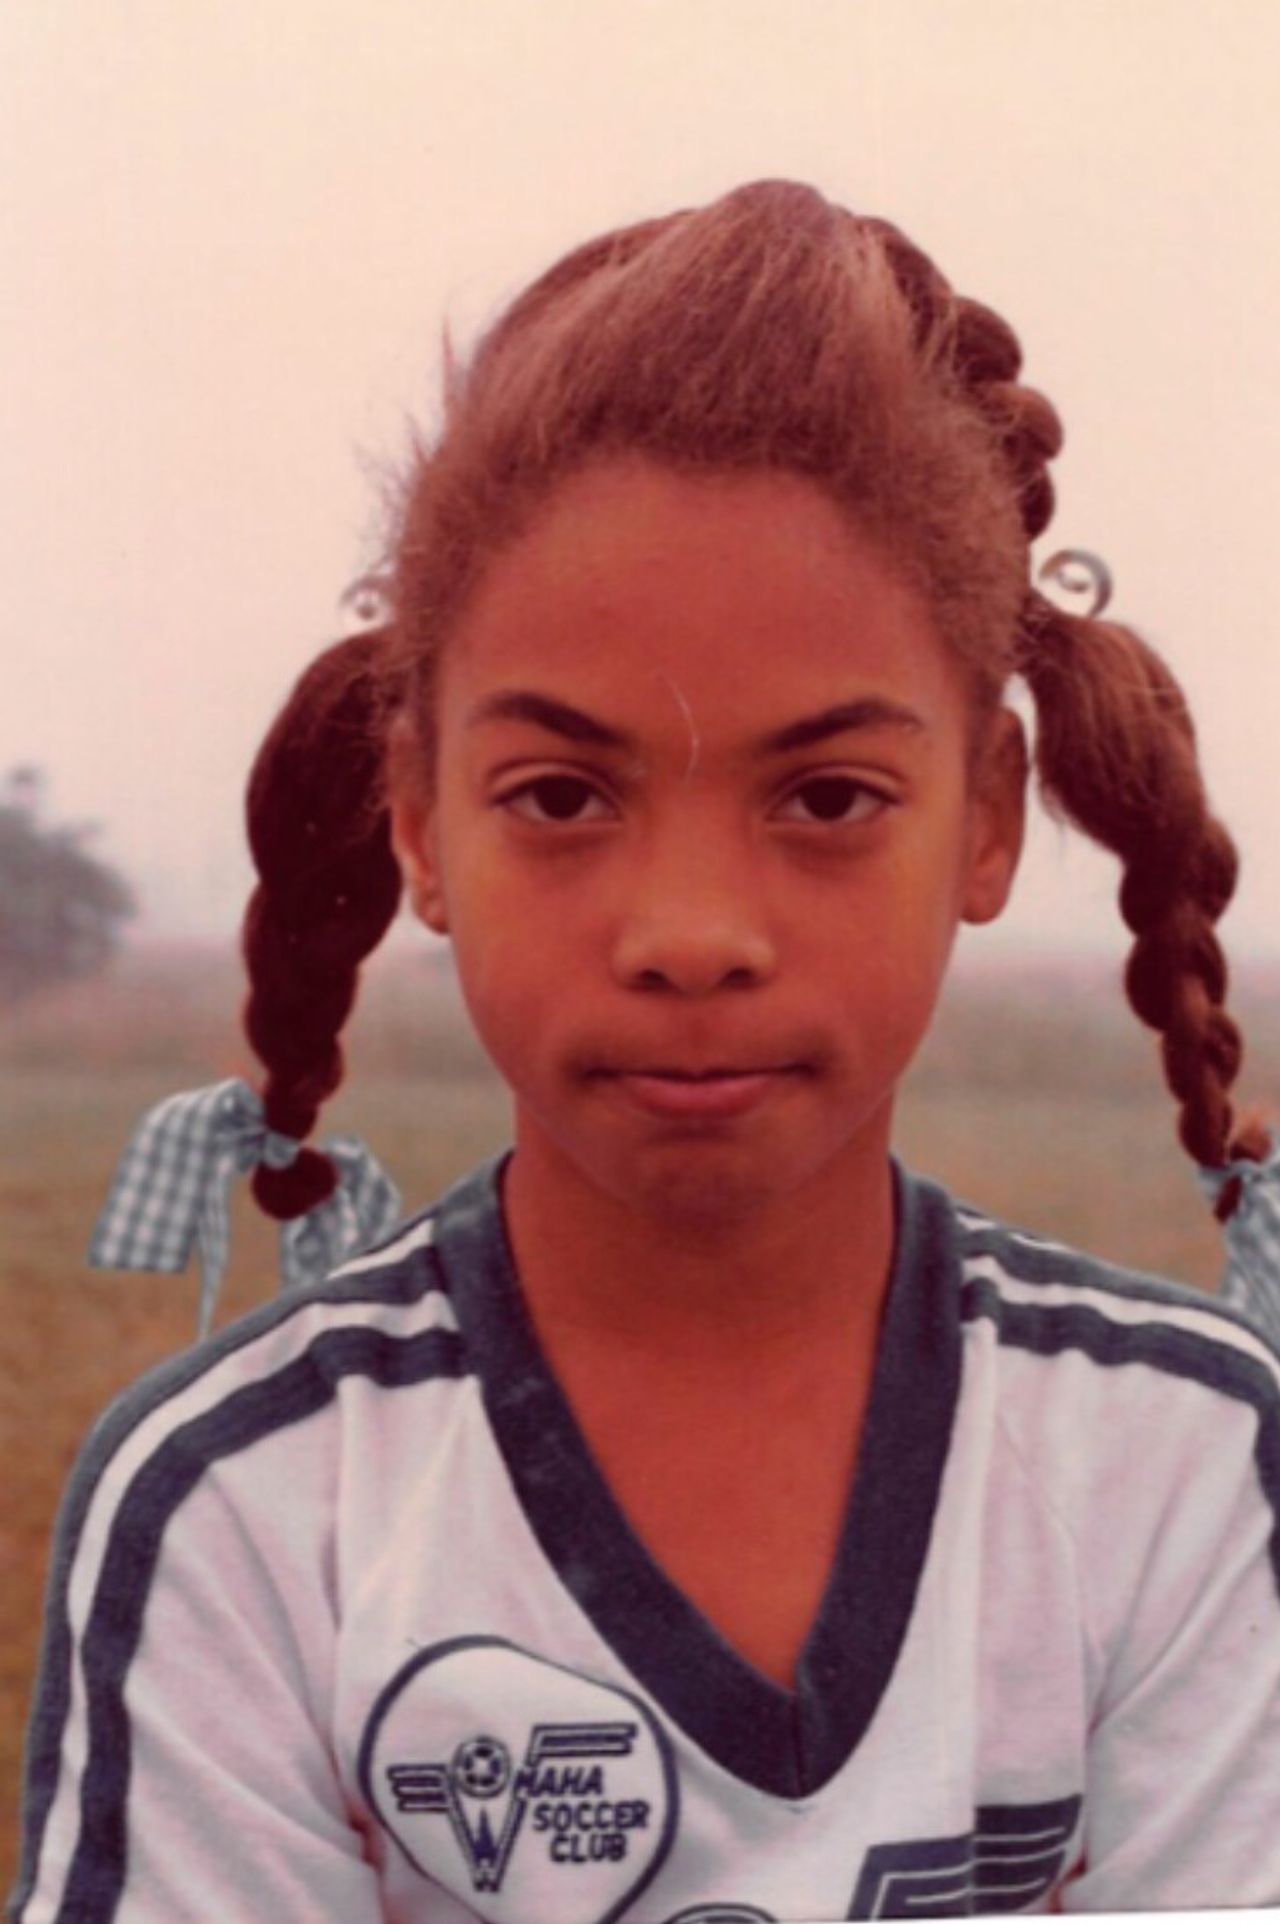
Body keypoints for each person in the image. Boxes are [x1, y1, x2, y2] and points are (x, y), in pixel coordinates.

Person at [11, 180, 1280, 1923]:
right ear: (419, 826)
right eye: (560, 795)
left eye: (828, 796)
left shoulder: (1192, 1470)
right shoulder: (242, 1512)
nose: (691, 929)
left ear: (988, 819)